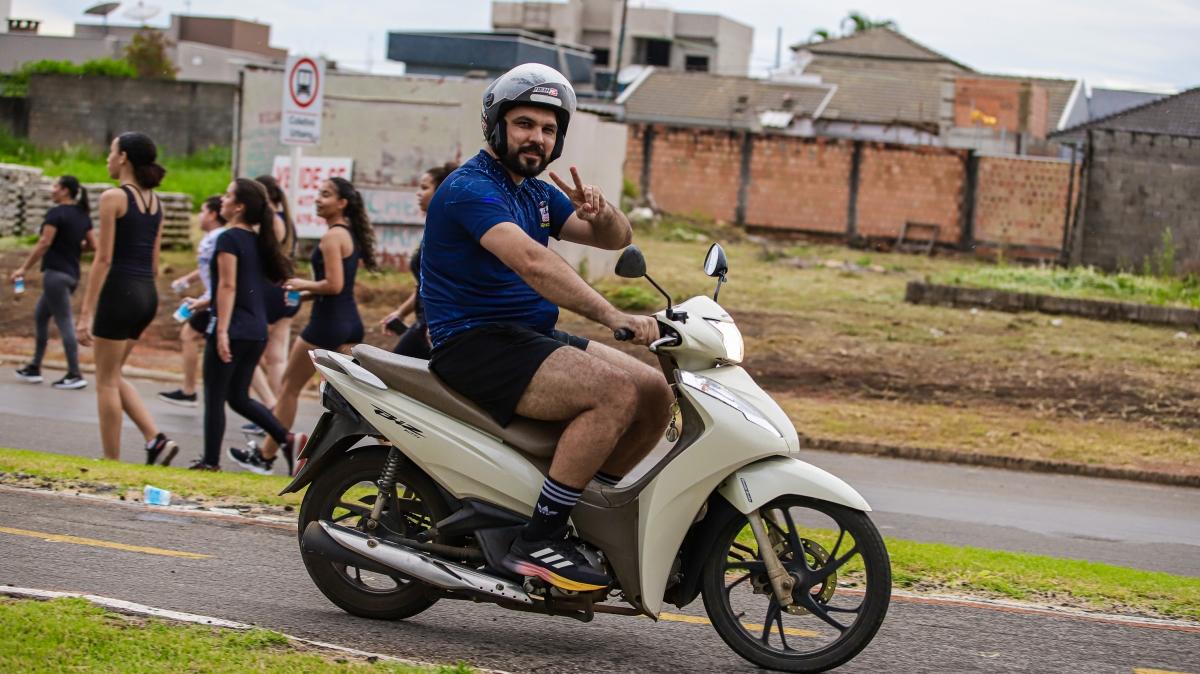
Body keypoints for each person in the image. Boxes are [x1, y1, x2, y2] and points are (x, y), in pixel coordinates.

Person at [422, 64, 673, 592]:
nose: (537, 137)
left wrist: (600, 212)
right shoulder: (470, 188)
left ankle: (582, 512)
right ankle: (537, 539)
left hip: (525, 337)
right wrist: (614, 316)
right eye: (524, 124)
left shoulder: (536, 192)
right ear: (495, 125)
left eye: (549, 128)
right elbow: (533, 262)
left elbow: (615, 239)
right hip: (474, 342)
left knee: (655, 391)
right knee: (614, 393)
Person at [245, 176, 376, 476]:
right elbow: (338, 287)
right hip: (349, 323)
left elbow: (334, 285)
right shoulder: (348, 234)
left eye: (326, 194)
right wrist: (306, 293)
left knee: (288, 389)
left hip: (326, 325)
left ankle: (266, 455)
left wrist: (302, 283)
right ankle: (389, 449)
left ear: (342, 203)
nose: (318, 199)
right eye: (318, 193)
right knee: (354, 398)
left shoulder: (331, 237)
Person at [76, 132, 178, 465]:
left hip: (120, 292)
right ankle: (155, 440)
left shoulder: (113, 197)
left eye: (111, 152)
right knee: (114, 373)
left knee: (105, 381)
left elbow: (103, 259)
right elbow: (154, 262)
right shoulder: (156, 203)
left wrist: (85, 314)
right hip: (146, 294)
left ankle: (111, 461)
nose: (107, 159)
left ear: (123, 157)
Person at [188, 178, 303, 473]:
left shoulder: (228, 239)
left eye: (227, 196)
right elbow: (240, 284)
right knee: (238, 397)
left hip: (233, 328)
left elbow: (228, 286)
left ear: (239, 206)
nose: (222, 200)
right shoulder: (258, 241)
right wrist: (204, 302)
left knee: (215, 396)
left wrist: (221, 331)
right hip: (255, 331)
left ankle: (210, 462)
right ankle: (288, 439)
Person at [11, 175, 96, 389]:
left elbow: (44, 242)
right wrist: (72, 246)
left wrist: (23, 268)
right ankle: (34, 367)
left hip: (55, 275)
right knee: (40, 316)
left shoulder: (56, 214)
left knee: (65, 322)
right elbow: (92, 245)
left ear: (64, 190)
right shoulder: (82, 215)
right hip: (72, 275)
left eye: (55, 186)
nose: (51, 190)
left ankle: (74, 373)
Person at [380, 162, 458, 359]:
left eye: (424, 187)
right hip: (427, 320)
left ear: (440, 192)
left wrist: (436, 322)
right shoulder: (435, 227)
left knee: (388, 371)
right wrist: (401, 312)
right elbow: (424, 284)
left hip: (431, 323)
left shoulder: (447, 231)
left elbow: (450, 282)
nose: (418, 193)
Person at [239, 174, 297, 435]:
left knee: (249, 354)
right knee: (275, 358)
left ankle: (271, 408)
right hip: (285, 290)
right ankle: (275, 411)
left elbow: (264, 257)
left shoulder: (271, 220)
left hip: (270, 291)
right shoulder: (285, 219)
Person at [157, 195, 226, 407]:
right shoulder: (211, 238)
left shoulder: (219, 238)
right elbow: (207, 267)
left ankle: (189, 390)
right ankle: (271, 400)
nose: (199, 216)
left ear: (212, 215)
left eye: (202, 211)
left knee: (188, 335)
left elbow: (222, 270)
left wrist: (208, 298)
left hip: (214, 299)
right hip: (212, 297)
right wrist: (187, 280)